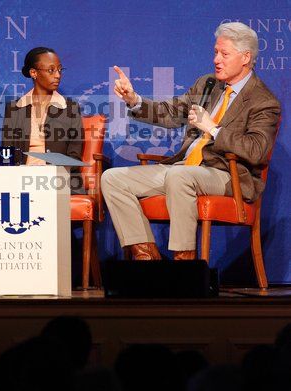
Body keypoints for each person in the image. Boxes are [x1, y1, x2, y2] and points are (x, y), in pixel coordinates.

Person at [101, 22, 281, 261]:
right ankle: (146, 257)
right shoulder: (208, 85)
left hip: (227, 176)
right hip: (184, 170)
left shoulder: (263, 101)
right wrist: (135, 100)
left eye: (224, 54)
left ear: (246, 57)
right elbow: (170, 112)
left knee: (179, 177)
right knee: (112, 178)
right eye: (216, 52)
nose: (217, 59)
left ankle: (183, 262)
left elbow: (256, 151)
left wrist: (213, 129)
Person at [1, 46, 84, 192]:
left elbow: (74, 156)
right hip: (21, 181)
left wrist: (48, 176)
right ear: (33, 73)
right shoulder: (14, 109)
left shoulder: (70, 108)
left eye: (59, 70)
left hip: (58, 181)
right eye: (51, 70)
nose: (57, 75)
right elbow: (7, 153)